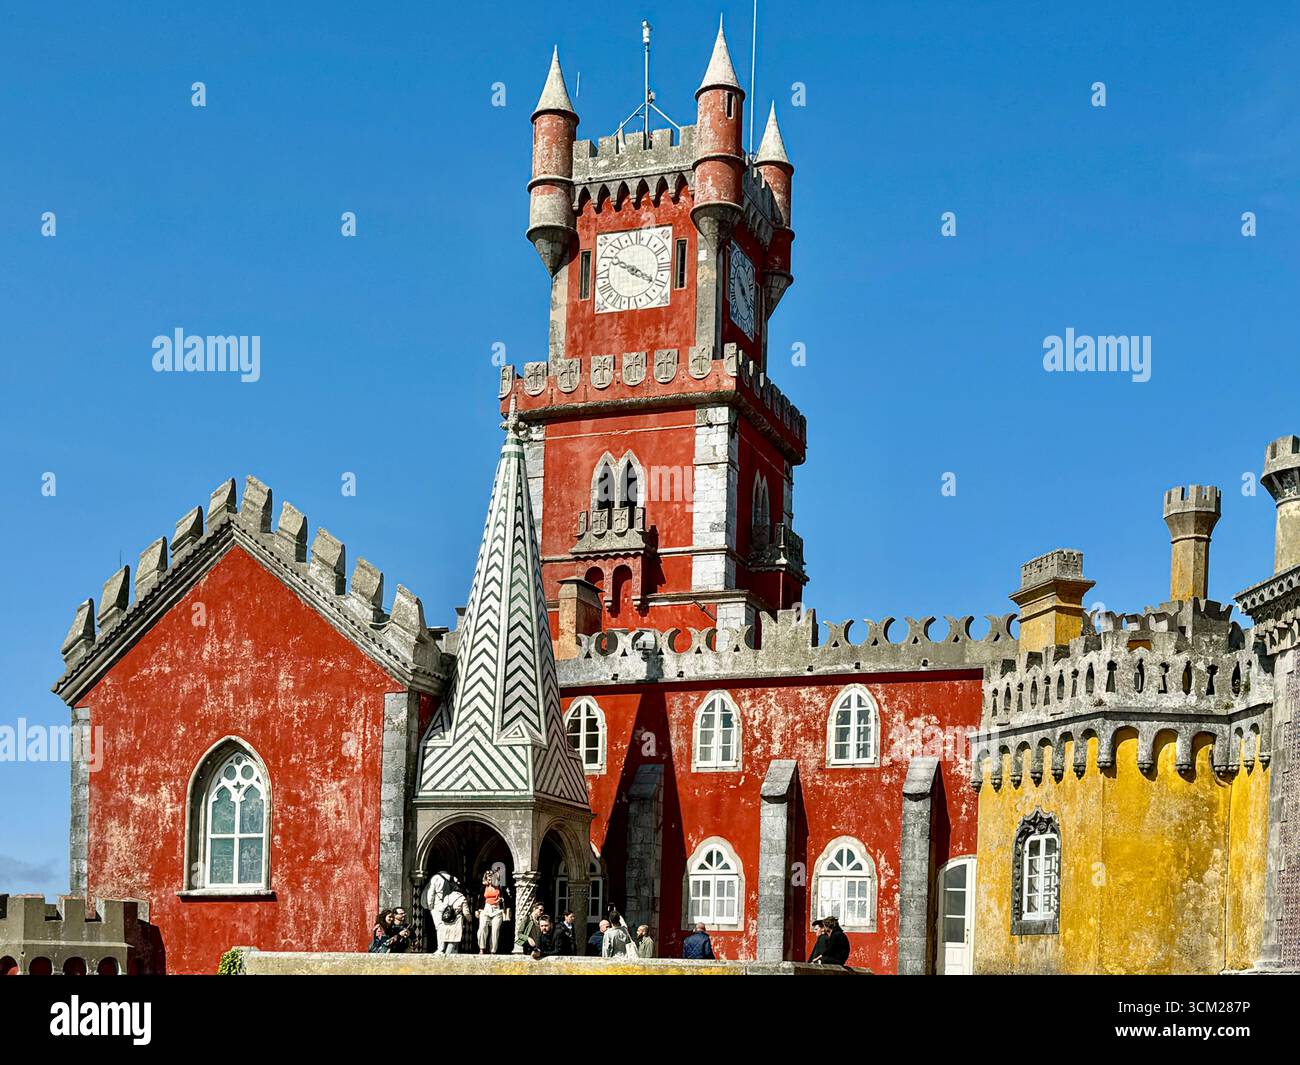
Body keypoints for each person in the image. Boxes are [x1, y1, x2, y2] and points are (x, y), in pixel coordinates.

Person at [427, 872, 472, 954]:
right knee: (454, 939)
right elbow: (466, 912)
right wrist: (470, 919)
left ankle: (441, 949)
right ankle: (448, 955)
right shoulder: (462, 898)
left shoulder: (447, 896)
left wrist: (431, 907)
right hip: (457, 919)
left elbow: (442, 907)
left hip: (447, 920)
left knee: (445, 934)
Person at [477, 869, 504, 954]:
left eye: (491, 878)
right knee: (482, 928)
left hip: (497, 909)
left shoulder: (501, 887)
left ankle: (493, 951)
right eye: (488, 879)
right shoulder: (483, 887)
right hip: (486, 908)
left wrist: (501, 900)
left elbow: (507, 897)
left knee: (495, 930)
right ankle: (482, 948)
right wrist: (477, 909)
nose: (490, 881)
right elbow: (480, 898)